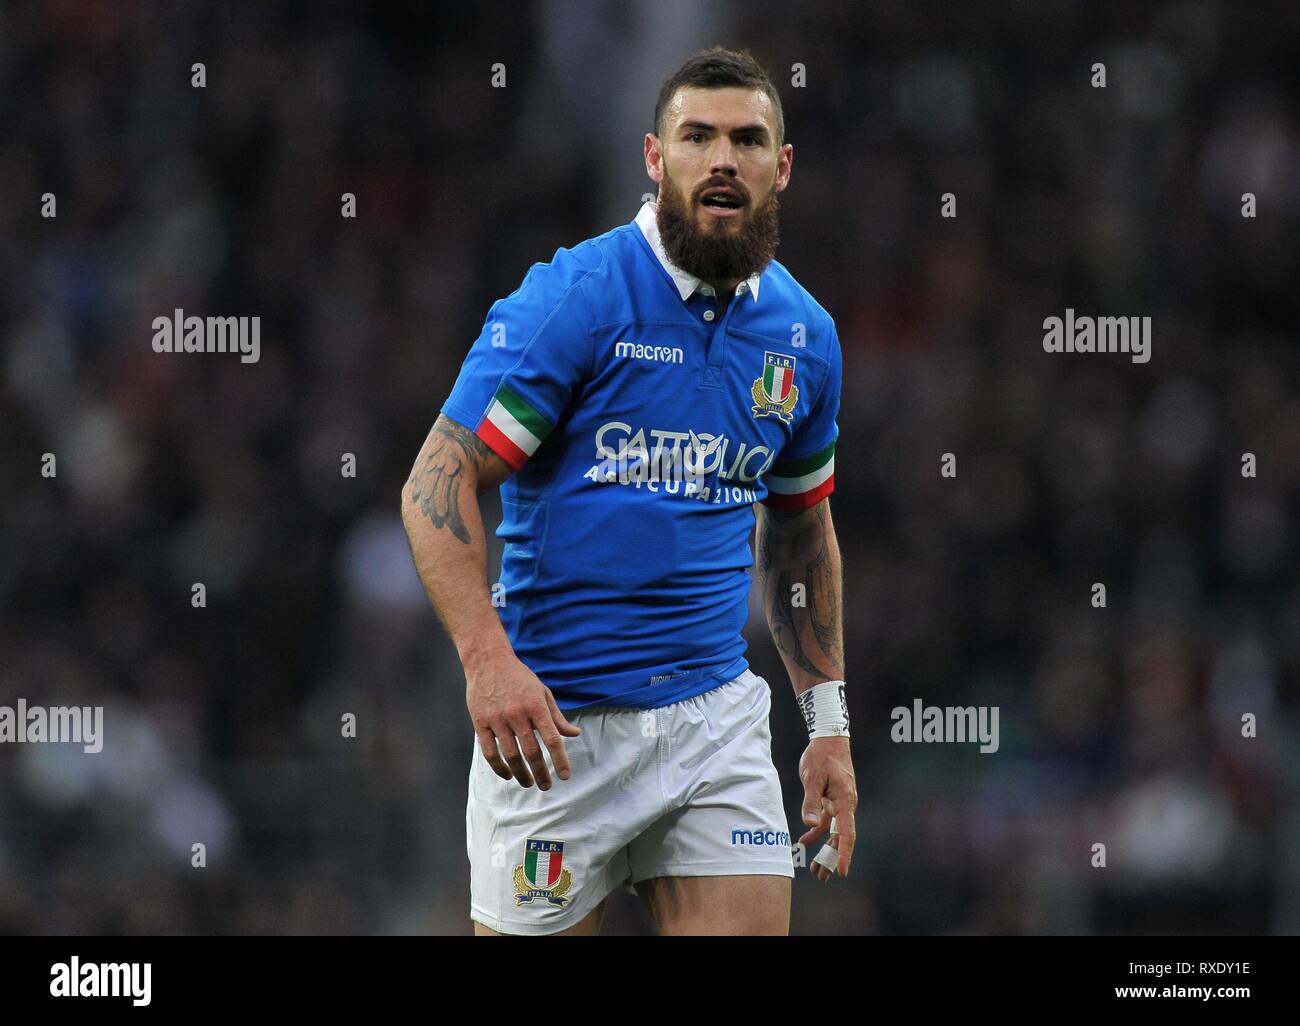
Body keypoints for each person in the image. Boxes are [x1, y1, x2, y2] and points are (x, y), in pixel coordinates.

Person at [401, 46, 854, 936]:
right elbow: (438, 480)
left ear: (782, 166)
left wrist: (827, 722)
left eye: (747, 139)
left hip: (713, 726)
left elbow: (802, 535)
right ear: (656, 159)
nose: (723, 159)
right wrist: (487, 663)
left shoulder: (804, 337)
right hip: (556, 734)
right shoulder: (578, 297)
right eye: (698, 137)